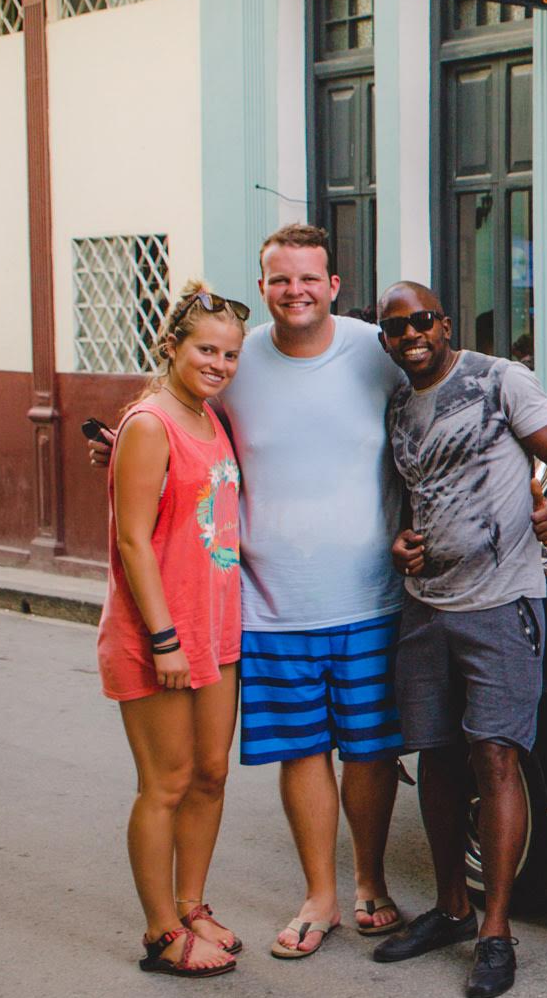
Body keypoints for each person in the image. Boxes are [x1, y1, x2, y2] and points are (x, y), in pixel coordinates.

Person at [89, 223, 409, 960]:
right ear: (263, 286)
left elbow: (436, 406)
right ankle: (311, 898)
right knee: (292, 754)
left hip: (362, 596)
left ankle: (366, 885)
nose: (294, 291)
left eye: (309, 278)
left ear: (332, 286)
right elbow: (157, 457)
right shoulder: (235, 367)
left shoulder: (375, 351)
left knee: (355, 753)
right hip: (266, 604)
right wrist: (123, 451)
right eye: (279, 279)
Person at [370, 281, 547, 998]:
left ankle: (496, 930)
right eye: (395, 329)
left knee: (495, 756)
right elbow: (414, 497)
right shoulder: (400, 404)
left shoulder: (499, 379)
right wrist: (401, 543)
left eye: (421, 321)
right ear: (387, 342)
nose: (411, 336)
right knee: (435, 756)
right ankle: (451, 908)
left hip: (500, 603)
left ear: (445, 321)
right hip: (426, 605)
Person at [99, 284, 249, 977]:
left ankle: (191, 905)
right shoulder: (151, 423)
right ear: (172, 348)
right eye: (205, 350)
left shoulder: (208, 418)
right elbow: (132, 541)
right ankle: (161, 933)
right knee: (166, 781)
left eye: (229, 354)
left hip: (216, 630)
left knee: (211, 776)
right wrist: (163, 640)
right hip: (160, 635)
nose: (218, 364)